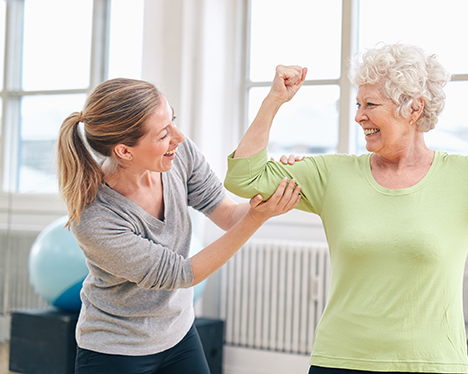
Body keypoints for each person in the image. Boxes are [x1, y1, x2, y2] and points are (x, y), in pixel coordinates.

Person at [224, 42, 468, 374]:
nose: (359, 116)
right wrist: (273, 100)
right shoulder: (332, 174)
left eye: (370, 104)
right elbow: (245, 177)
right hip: (342, 360)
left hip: (431, 364)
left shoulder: (465, 177)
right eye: (357, 104)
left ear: (414, 109)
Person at [56, 78, 301, 374]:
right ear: (124, 151)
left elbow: (227, 215)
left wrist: (278, 189)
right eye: (163, 134)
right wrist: (256, 218)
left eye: (172, 120)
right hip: (116, 350)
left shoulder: (178, 155)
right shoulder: (96, 218)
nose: (179, 137)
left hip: (179, 335)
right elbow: (183, 274)